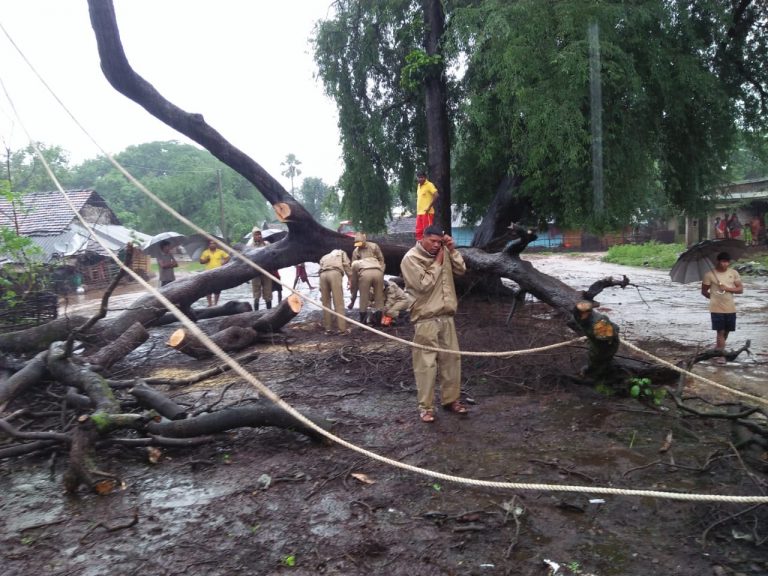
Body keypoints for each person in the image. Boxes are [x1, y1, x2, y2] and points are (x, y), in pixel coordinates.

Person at [401, 224, 467, 423]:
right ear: (423, 238)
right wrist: (438, 262)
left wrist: (452, 250)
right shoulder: (411, 258)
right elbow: (423, 285)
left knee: (451, 361)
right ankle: (426, 408)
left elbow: (461, 270)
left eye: (440, 242)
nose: (436, 246)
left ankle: (451, 400)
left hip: (447, 317)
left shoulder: (446, 253)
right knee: (426, 365)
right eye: (433, 241)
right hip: (425, 319)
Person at [701, 251, 743, 365]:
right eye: (723, 262)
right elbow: (704, 291)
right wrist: (713, 297)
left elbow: (740, 289)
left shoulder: (733, 273)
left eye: (727, 262)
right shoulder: (709, 275)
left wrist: (727, 288)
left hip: (730, 307)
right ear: (718, 262)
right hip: (716, 308)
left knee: (727, 331)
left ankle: (718, 349)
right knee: (720, 331)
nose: (725, 264)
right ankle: (721, 355)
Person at [349, 233, 385, 323]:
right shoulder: (356, 251)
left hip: (367, 273)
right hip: (375, 272)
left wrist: (353, 293)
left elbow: (381, 260)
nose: (359, 246)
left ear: (364, 241)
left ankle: (363, 322)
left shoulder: (374, 246)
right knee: (379, 297)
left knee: (363, 297)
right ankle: (378, 321)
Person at [318, 248, 353, 334]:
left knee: (325, 303)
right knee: (338, 302)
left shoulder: (324, 257)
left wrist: (320, 287)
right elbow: (346, 265)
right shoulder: (341, 252)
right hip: (334, 273)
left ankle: (328, 329)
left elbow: (320, 269)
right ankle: (342, 329)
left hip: (322, 275)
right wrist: (350, 279)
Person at [246, 227, 273, 310]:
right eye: (256, 234)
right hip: (255, 272)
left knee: (268, 292)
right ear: (253, 236)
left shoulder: (267, 244)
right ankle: (256, 312)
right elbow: (247, 260)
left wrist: (264, 244)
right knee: (256, 293)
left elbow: (272, 254)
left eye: (259, 234)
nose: (258, 236)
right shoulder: (250, 247)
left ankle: (269, 311)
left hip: (266, 271)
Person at [199, 239, 230, 306]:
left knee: (217, 289)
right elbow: (201, 261)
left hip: (218, 272)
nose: (212, 245)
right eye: (211, 243)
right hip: (208, 273)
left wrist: (224, 262)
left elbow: (228, 257)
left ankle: (215, 304)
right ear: (208, 245)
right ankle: (210, 303)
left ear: (216, 245)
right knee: (208, 289)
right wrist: (206, 260)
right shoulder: (205, 252)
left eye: (214, 243)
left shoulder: (220, 251)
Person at [415, 171, 439, 241]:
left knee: (427, 231)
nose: (420, 179)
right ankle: (419, 246)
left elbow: (436, 195)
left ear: (425, 177)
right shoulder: (419, 186)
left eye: (422, 177)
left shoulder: (429, 185)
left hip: (427, 212)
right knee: (419, 231)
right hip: (419, 213)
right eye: (418, 178)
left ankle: (428, 247)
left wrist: (429, 207)